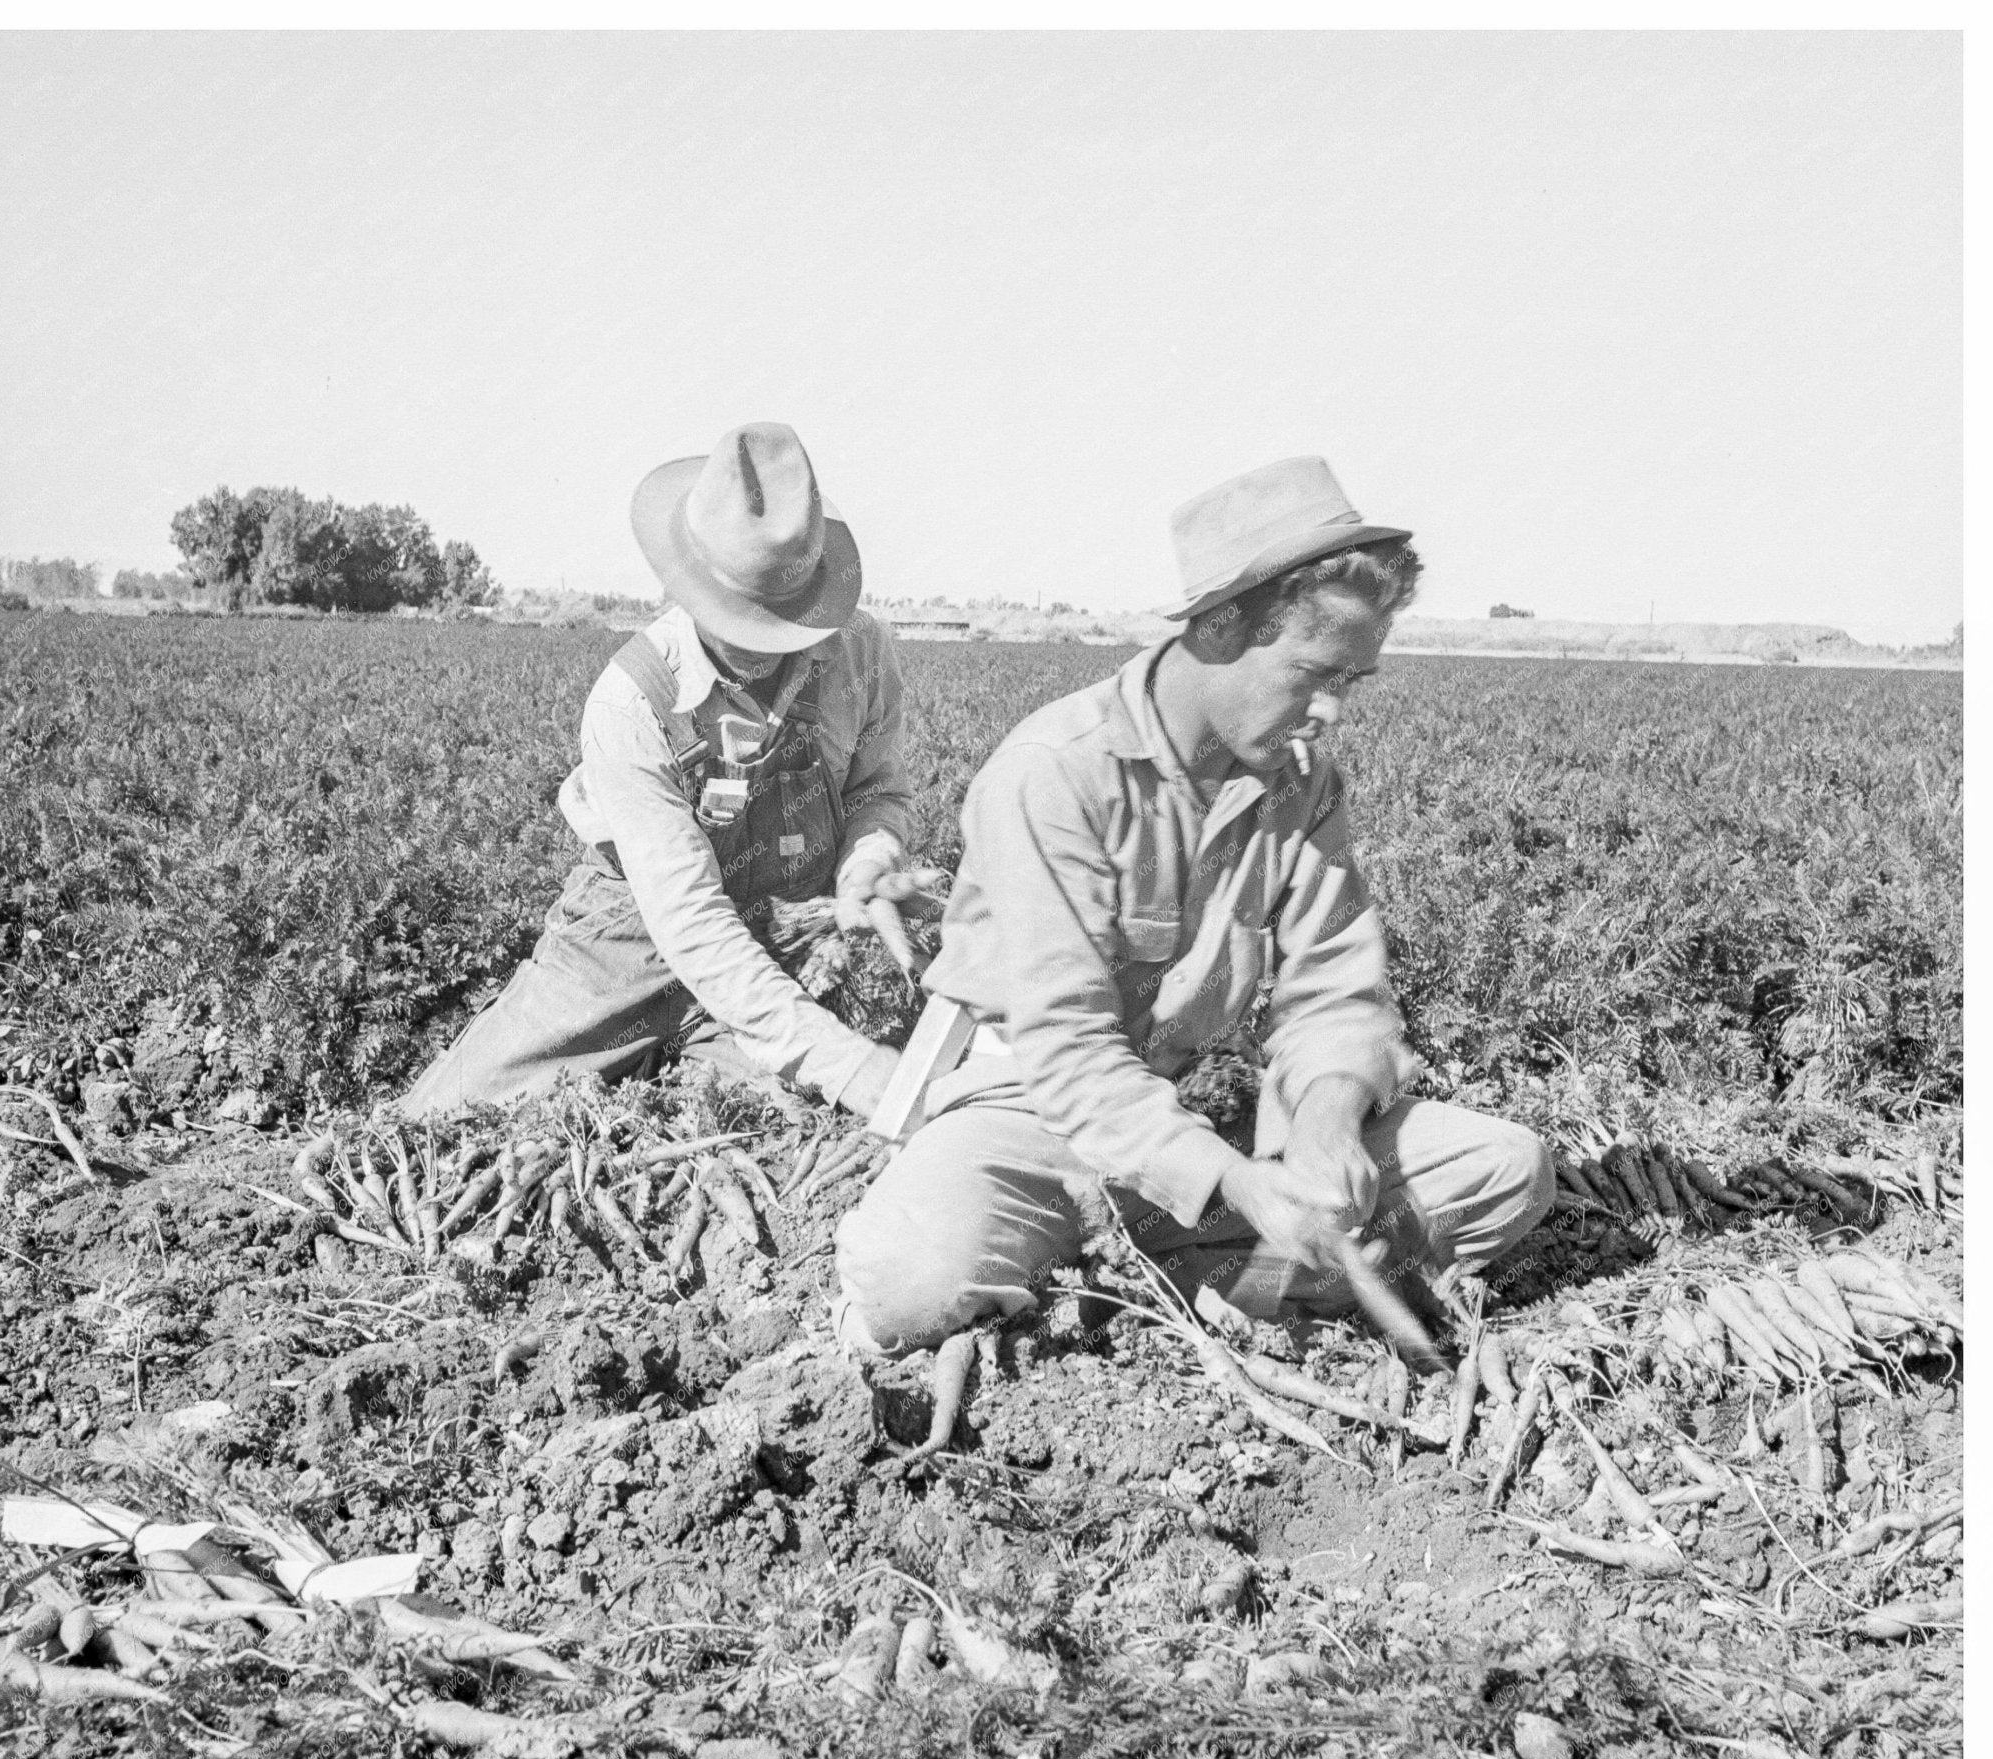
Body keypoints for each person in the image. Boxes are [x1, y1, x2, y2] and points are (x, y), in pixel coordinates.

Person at [835, 455, 1552, 1354]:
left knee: (1505, 1172)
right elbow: (1068, 1053)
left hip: (1195, 1113)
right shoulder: (1056, 774)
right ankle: (1214, 1264)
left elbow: (1335, 989)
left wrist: (1327, 1122)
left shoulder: (1300, 785)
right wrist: (1238, 1183)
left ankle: (1192, 1278)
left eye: (1351, 683)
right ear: (1219, 631)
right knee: (908, 1291)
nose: (1329, 712)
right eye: (1313, 673)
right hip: (1033, 1111)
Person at [400, 423, 928, 1120]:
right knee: (436, 1120)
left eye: (781, 620)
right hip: (623, 952)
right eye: (740, 620)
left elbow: (879, 792)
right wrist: (850, 1064)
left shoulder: (861, 654)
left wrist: (868, 857)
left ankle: (710, 1053)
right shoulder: (632, 704)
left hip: (772, 945)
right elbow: (690, 917)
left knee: (806, 1125)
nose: (761, 649)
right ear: (692, 582)